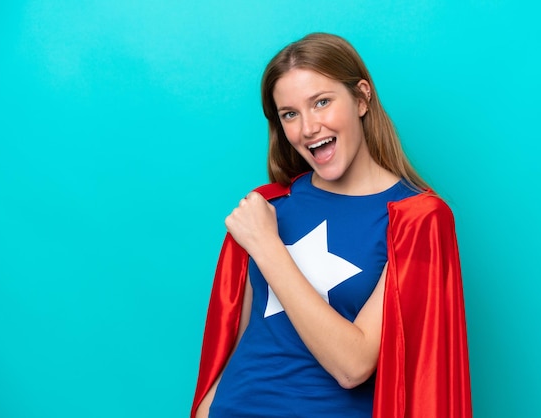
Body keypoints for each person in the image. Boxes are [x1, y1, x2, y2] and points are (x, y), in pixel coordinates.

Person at [191, 32, 472, 418]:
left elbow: (353, 366)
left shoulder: (415, 218)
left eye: (321, 102)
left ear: (361, 97)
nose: (308, 128)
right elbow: (240, 339)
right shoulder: (269, 205)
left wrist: (270, 249)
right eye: (290, 114)